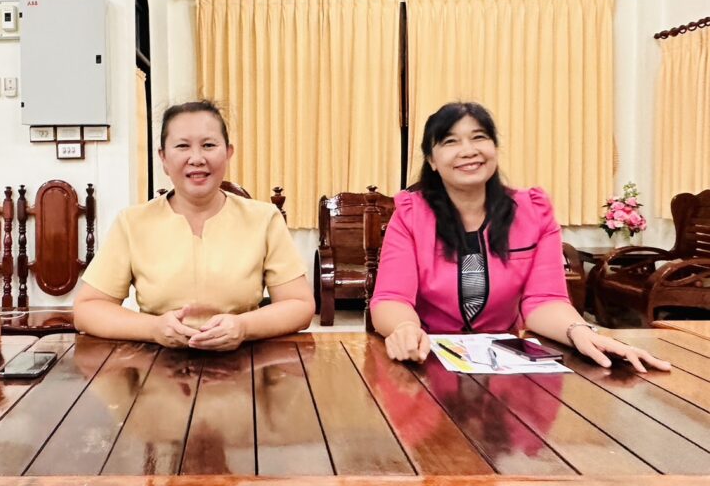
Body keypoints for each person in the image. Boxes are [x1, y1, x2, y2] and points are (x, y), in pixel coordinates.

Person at [370, 102, 670, 373]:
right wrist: (405, 328)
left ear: (495, 148)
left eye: (479, 137)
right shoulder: (411, 215)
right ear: (432, 160)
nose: (468, 150)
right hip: (427, 359)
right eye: (450, 141)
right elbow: (391, 297)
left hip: (506, 362)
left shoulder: (533, 212)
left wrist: (580, 331)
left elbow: (544, 300)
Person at [74, 100, 314, 351]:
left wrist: (244, 327)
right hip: (156, 361)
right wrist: (153, 329)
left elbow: (300, 305)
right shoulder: (132, 222)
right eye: (182, 146)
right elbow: (88, 309)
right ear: (163, 157)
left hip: (245, 360)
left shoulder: (264, 219)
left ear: (228, 153)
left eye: (208, 145)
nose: (197, 159)